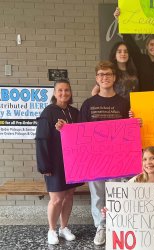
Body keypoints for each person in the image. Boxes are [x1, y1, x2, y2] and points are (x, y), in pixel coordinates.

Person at [80, 61, 130, 246]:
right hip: (95, 159)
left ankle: (117, 225)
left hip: (117, 159)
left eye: (108, 74)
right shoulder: (88, 104)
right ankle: (101, 226)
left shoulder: (124, 103)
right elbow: (81, 133)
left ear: (114, 77)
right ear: (96, 78)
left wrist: (136, 123)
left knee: (116, 193)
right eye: (101, 74)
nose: (105, 77)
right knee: (98, 195)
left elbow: (130, 133)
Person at [35, 79, 83, 245]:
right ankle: (52, 230)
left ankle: (64, 227)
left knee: (69, 195)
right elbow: (41, 139)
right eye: (60, 90)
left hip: (73, 162)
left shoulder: (75, 112)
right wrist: (44, 165)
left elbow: (82, 135)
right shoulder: (48, 113)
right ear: (54, 93)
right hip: (54, 163)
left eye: (67, 90)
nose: (64, 93)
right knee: (56, 199)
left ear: (70, 93)